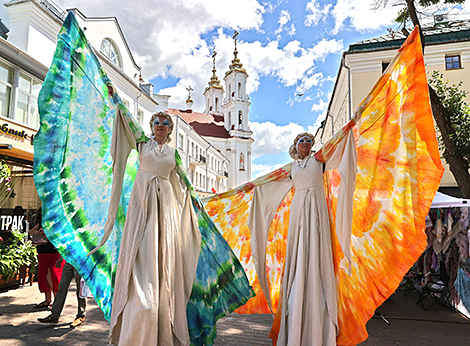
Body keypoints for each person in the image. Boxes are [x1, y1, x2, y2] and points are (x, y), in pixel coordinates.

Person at [87, 110, 253, 346]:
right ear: (151, 125)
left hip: (164, 212)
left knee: (164, 260)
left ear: (170, 129)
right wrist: (113, 94)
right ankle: (136, 323)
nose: (160, 125)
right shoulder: (142, 144)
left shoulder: (175, 154)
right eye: (157, 122)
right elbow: (125, 119)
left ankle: (163, 324)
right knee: (140, 254)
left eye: (165, 123)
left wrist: (198, 207)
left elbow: (186, 185)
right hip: (142, 208)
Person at [29, 207, 64, 309]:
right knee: (43, 276)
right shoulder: (40, 224)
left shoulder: (56, 223)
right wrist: (39, 230)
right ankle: (47, 300)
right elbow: (31, 232)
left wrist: (48, 231)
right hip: (43, 253)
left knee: (53, 276)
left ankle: (56, 302)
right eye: (41, 214)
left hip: (53, 253)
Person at [37, 259, 86, 327]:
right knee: (61, 288)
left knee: (80, 290)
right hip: (69, 261)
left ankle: (81, 316)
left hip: (81, 262)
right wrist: (61, 258)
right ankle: (54, 316)